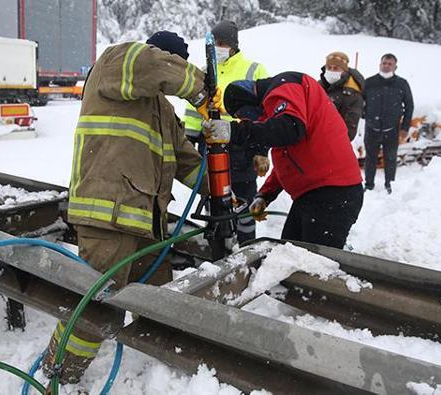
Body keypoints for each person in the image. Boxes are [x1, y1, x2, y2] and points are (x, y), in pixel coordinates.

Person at [41, 31, 214, 384]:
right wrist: (200, 85)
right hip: (108, 212)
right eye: (173, 62)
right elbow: (151, 64)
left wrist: (224, 189)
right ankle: (59, 378)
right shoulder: (116, 62)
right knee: (95, 308)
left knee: (159, 303)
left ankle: (152, 374)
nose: (171, 70)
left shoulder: (162, 110)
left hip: (147, 224)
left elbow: (186, 162)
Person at [202, 72, 364, 249]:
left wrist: (236, 131)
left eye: (245, 114)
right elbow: (289, 158)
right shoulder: (282, 111)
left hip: (332, 194)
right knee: (288, 255)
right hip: (316, 194)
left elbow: (290, 129)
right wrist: (265, 195)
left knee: (313, 265)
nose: (251, 118)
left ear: (250, 97)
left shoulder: (285, 85)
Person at [182, 20, 269, 244]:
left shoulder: (254, 70)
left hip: (243, 147)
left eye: (222, 43)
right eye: (215, 43)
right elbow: (193, 111)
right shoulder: (203, 72)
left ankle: (247, 248)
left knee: (244, 204)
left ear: (233, 45)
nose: (218, 48)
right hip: (210, 148)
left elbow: (264, 113)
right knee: (214, 204)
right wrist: (188, 141)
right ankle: (217, 249)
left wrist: (261, 150)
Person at [362, 53, 414, 194]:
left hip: (392, 129)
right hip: (372, 128)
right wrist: (364, 115)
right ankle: (369, 184)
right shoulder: (369, 82)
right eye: (384, 63)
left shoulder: (401, 84)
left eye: (389, 64)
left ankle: (390, 184)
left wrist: (405, 127)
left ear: (395, 67)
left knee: (390, 158)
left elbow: (409, 106)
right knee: (370, 158)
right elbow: (360, 102)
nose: (386, 66)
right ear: (380, 64)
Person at [318, 51, 365, 141]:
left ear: (344, 71)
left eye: (336, 68)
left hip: (333, 143)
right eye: (329, 67)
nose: (331, 71)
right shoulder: (317, 87)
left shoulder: (353, 96)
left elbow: (349, 130)